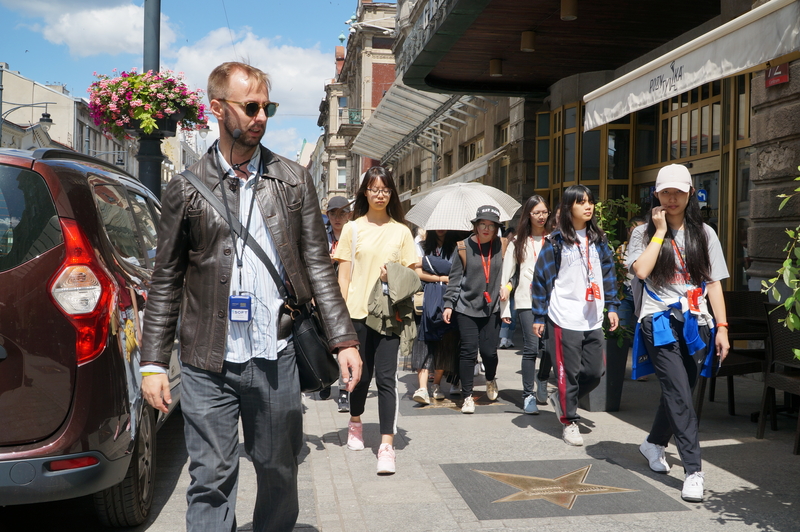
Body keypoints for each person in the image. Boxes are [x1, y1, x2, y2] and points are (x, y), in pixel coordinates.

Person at [139, 62, 361, 532]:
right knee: (210, 479)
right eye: (251, 106)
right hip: (206, 361)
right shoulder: (185, 189)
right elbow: (166, 280)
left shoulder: (293, 180)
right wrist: (154, 363)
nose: (261, 116)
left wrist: (343, 339)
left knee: (279, 470)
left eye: (268, 107)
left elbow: (319, 266)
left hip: (275, 354)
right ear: (217, 108)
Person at [626, 164, 729, 503]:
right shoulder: (643, 233)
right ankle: (693, 470)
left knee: (682, 387)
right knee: (679, 393)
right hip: (657, 320)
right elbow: (641, 270)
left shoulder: (705, 234)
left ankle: (653, 442)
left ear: (689, 194)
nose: (671, 198)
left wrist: (723, 328)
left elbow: (713, 283)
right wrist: (658, 231)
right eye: (665, 192)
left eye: (678, 192)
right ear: (656, 194)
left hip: (695, 321)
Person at [334, 166, 418, 475]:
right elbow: (343, 277)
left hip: (389, 316)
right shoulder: (352, 229)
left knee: (386, 379)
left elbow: (415, 273)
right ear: (365, 193)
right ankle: (355, 421)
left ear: (391, 193)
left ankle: (386, 446)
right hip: (356, 313)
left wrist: (393, 273)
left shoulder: (401, 231)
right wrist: (339, 319)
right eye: (374, 189)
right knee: (360, 377)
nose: (380, 194)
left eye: (385, 189)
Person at [531, 185, 619, 446]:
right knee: (568, 372)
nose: (588, 206)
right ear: (569, 208)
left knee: (595, 371)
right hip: (564, 316)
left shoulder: (599, 241)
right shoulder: (556, 242)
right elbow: (540, 280)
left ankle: (562, 397)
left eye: (590, 201)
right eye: (581, 202)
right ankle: (569, 421)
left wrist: (612, 306)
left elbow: (609, 275)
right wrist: (538, 316)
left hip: (592, 316)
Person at [443, 205, 506, 414]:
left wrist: (508, 287)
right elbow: (454, 280)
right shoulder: (463, 247)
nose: (486, 229)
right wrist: (449, 304)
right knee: (468, 351)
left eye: (491, 225)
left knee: (489, 352)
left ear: (497, 228)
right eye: (482, 224)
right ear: (476, 226)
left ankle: (490, 378)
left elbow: (511, 274)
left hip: (492, 308)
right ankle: (467, 396)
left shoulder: (503, 246)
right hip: (466, 307)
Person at [500, 195, 550, 414]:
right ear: (528, 215)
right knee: (531, 348)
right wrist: (504, 309)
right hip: (526, 300)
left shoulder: (555, 239)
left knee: (548, 348)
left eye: (544, 212)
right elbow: (506, 277)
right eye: (536, 212)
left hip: (552, 301)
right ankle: (528, 394)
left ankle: (543, 379)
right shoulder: (518, 241)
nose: (541, 216)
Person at [411, 230, 465, 404]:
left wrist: (429, 264)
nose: (440, 228)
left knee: (445, 343)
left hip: (450, 300)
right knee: (423, 342)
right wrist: (441, 277)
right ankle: (422, 388)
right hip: (426, 300)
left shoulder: (458, 247)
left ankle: (436, 384)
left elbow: (458, 272)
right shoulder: (422, 246)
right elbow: (417, 271)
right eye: (436, 225)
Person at [320, 195, 353, 410]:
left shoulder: (354, 235)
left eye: (342, 213)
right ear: (328, 215)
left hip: (349, 294)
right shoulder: (322, 236)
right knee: (324, 341)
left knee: (346, 343)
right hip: (325, 293)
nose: (337, 218)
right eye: (333, 213)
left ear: (348, 215)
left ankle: (344, 391)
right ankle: (324, 379)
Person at [617, 216, 647, 381]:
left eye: (641, 230)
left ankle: (640, 370)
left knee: (640, 332)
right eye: (633, 229)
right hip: (625, 293)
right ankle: (618, 367)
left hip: (642, 294)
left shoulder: (650, 249)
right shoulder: (621, 249)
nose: (637, 233)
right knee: (620, 331)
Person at [499, 227, 517, 349]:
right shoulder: (501, 249)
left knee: (513, 315)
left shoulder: (516, 248)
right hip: (504, 287)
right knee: (506, 313)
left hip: (514, 288)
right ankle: (503, 338)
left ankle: (508, 338)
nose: (511, 240)